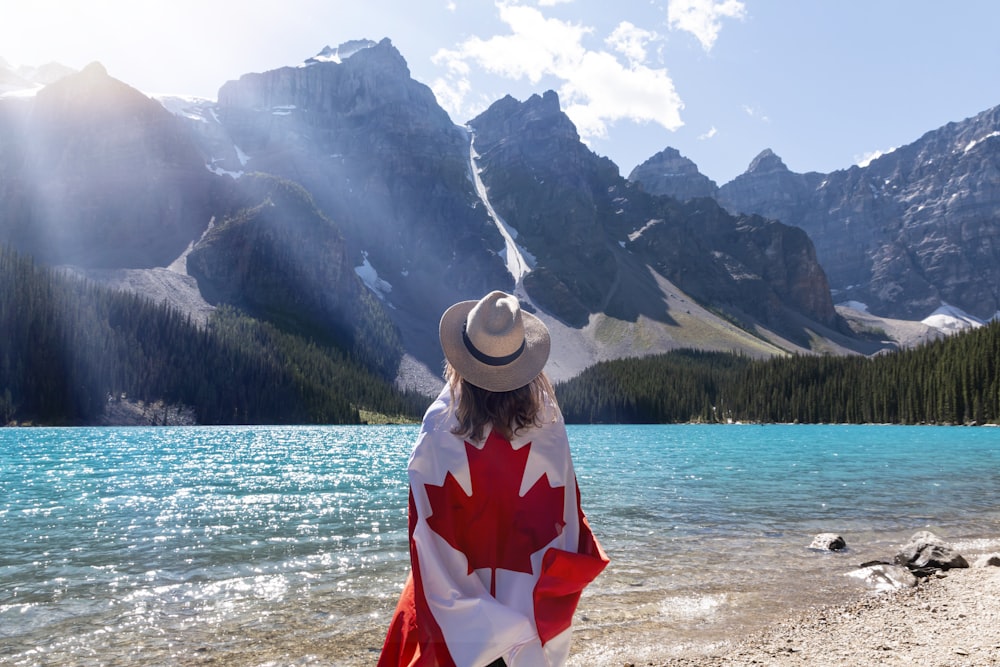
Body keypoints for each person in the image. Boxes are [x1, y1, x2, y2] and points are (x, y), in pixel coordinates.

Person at [379, 291, 608, 667]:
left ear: (461, 361)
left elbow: (424, 527)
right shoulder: (547, 421)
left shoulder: (440, 425)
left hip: (460, 602)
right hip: (530, 597)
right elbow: (567, 510)